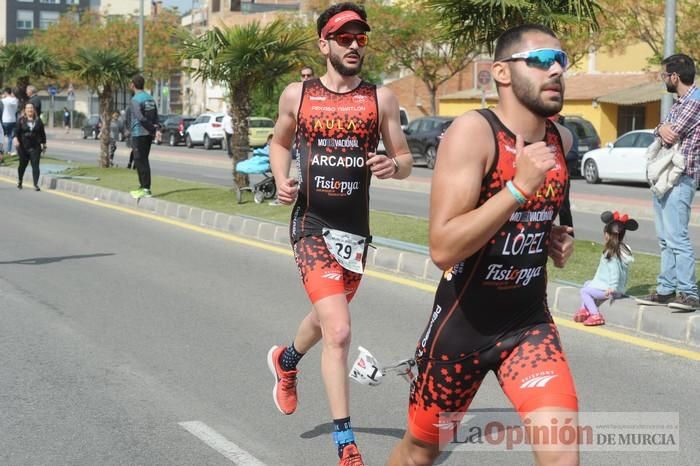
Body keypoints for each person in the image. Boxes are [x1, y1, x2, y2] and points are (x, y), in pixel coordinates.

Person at [388, 24, 578, 466]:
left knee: (562, 455)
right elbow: (442, 247)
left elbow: (540, 210)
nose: (556, 71)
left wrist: (551, 235)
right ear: (502, 72)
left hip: (529, 326)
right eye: (541, 60)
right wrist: (516, 191)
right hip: (462, 329)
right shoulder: (473, 134)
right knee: (419, 454)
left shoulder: (560, 140)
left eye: (561, 61)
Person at [267, 3, 412, 465]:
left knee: (327, 319)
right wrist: (281, 177)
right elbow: (279, 141)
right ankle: (345, 443)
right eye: (344, 38)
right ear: (323, 44)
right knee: (341, 329)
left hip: (354, 234)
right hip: (310, 226)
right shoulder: (299, 94)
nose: (353, 45)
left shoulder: (380, 99)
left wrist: (394, 166)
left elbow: (405, 158)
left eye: (360, 39)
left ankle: (287, 361)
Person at [636, 54, 700, 311]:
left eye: (665, 75)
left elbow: (670, 133)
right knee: (664, 238)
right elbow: (661, 128)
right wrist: (659, 128)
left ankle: (688, 293)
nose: (664, 79)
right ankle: (666, 289)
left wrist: (661, 129)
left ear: (675, 76)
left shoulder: (694, 102)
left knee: (677, 237)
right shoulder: (681, 101)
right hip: (666, 176)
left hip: (680, 177)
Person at [574, 211, 637, 326]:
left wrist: (612, 287)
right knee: (587, 283)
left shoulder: (610, 252)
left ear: (607, 235)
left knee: (584, 291)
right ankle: (584, 310)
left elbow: (615, 271)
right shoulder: (623, 249)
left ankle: (595, 314)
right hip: (618, 288)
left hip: (611, 290)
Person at [128, 75, 159, 199]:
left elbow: (140, 117)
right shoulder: (150, 98)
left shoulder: (136, 99)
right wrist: (155, 128)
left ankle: (146, 188)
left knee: (140, 160)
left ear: (133, 85)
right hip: (148, 135)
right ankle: (142, 187)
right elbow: (156, 116)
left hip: (139, 133)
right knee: (142, 159)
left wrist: (151, 128)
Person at [14, 102, 46, 191]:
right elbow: (16, 132)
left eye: (31, 108)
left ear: (34, 110)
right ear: (25, 110)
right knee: (22, 165)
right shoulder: (21, 120)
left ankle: (35, 184)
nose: (30, 110)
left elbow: (42, 134)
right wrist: (15, 139)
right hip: (23, 147)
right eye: (28, 108)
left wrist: (44, 144)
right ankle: (20, 180)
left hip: (35, 147)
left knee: (35, 165)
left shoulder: (38, 121)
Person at [2, 88, 19, 155]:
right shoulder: (15, 100)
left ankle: (1, 150)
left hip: (5, 120)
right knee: (10, 137)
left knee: (2, 135)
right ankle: (9, 150)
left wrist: (2, 97)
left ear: (6, 93)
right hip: (13, 120)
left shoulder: (3, 100)